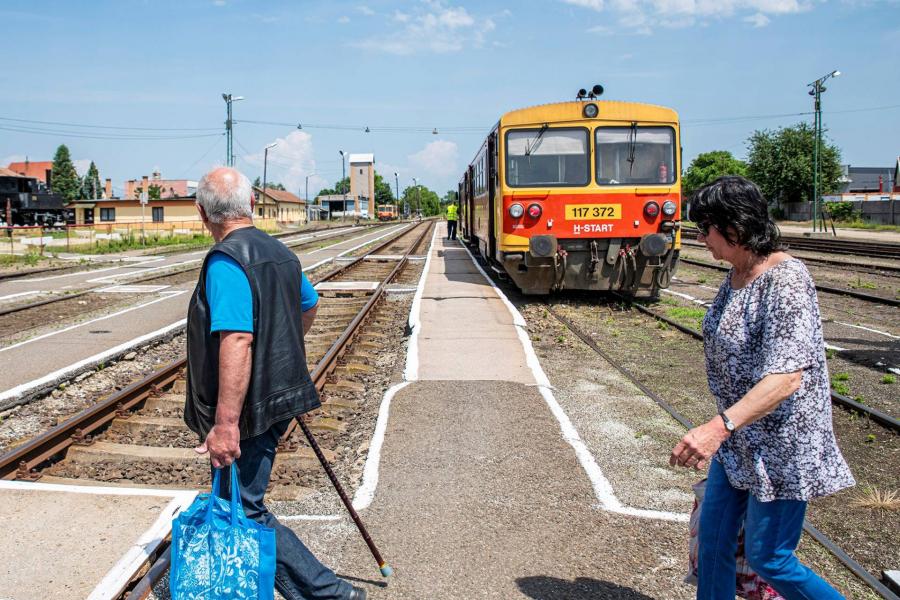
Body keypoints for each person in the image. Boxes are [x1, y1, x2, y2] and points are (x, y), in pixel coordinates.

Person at [184, 167, 366, 600]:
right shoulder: (280, 252)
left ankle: (332, 594)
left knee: (244, 508)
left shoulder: (227, 261)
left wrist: (226, 424)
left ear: (201, 213)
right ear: (250, 205)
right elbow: (308, 305)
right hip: (273, 396)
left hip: (248, 409)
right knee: (235, 505)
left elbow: (238, 338)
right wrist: (278, 352)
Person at [669, 176, 854, 600]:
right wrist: (727, 429)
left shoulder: (785, 280)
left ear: (733, 228)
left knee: (771, 558)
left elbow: (787, 377)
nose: (700, 239)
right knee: (712, 545)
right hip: (739, 441)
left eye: (705, 229)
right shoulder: (735, 275)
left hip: (780, 446)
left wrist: (716, 428)